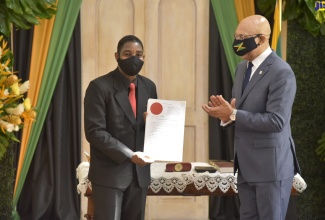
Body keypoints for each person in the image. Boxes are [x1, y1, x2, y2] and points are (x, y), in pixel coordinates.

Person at [202, 15, 301, 220]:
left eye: (243, 37)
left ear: (262, 39)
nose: (237, 42)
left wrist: (234, 113)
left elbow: (276, 121)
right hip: (245, 166)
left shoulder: (282, 72)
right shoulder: (241, 69)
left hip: (270, 168)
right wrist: (226, 115)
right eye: (236, 36)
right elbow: (239, 111)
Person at [84, 35, 157, 220]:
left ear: (144, 58)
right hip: (109, 174)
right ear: (117, 56)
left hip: (139, 175)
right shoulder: (99, 87)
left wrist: (154, 124)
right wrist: (129, 154)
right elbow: (94, 132)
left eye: (139, 54)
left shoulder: (149, 86)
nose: (134, 58)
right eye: (128, 54)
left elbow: (151, 127)